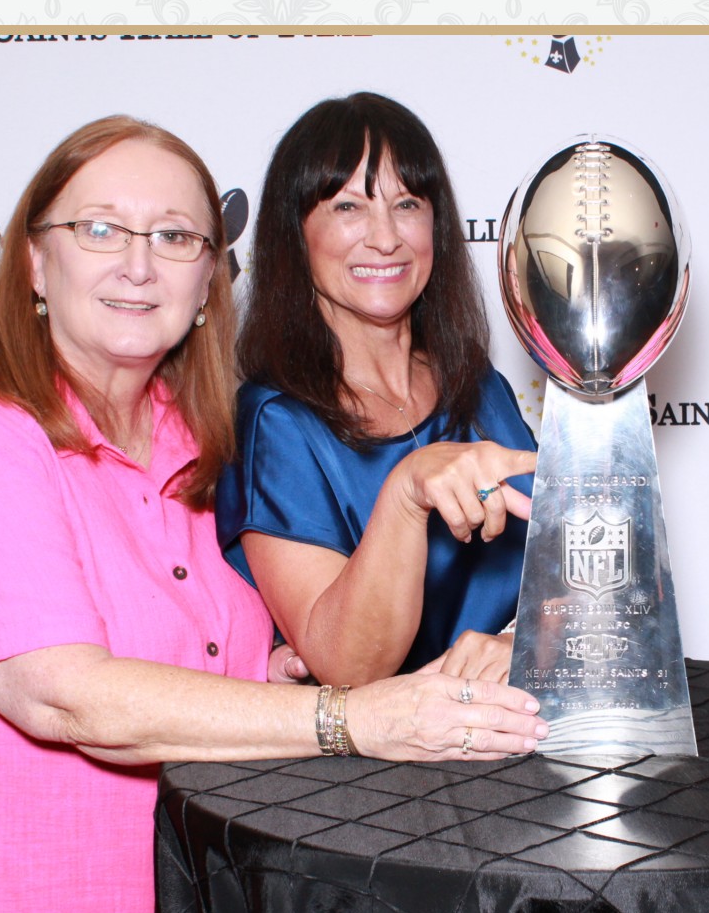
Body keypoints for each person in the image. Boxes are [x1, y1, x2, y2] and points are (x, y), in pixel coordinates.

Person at [0, 116, 547, 913]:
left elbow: (184, 652)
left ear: (210, 281)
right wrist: (347, 716)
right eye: (101, 230)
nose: (138, 264)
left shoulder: (184, 439)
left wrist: (262, 672)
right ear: (34, 263)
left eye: (174, 237)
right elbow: (65, 696)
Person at [218, 92, 536, 688]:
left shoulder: (479, 388)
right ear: (295, 235)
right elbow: (349, 667)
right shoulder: (274, 423)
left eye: (407, 203)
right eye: (348, 207)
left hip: (518, 733)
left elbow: (579, 575)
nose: (385, 237)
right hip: (363, 771)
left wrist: (518, 643)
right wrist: (405, 492)